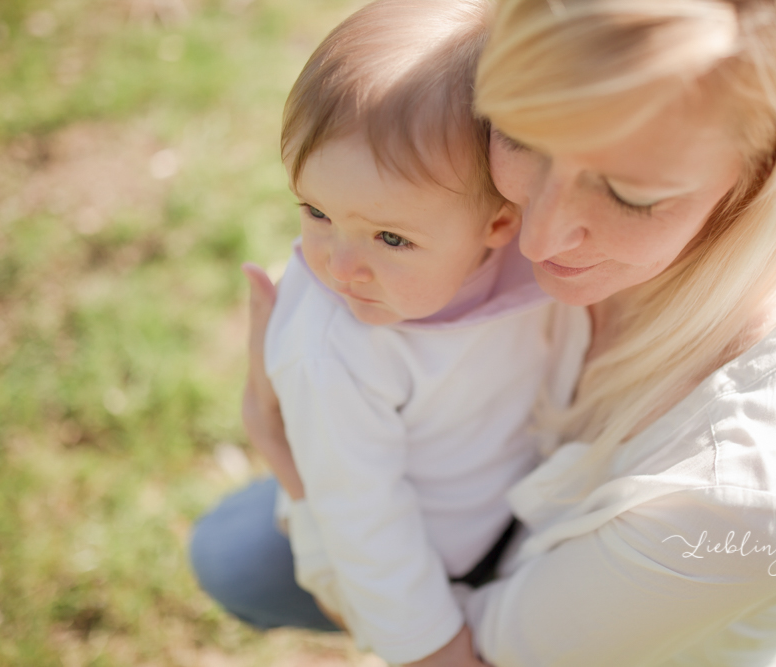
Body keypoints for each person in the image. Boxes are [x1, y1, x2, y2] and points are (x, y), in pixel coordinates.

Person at [191, 0, 776, 664]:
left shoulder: (755, 494)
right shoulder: (479, 211)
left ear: (764, 175)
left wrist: (295, 468)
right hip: (458, 498)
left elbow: (471, 652)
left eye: (630, 193)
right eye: (520, 135)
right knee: (232, 552)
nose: (536, 236)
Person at [218, 0, 584, 663]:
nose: (340, 265)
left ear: (498, 227)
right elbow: (364, 524)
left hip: (506, 513)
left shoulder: (539, 263)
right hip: (390, 564)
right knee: (235, 555)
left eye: (391, 236)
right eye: (316, 210)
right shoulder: (334, 345)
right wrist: (435, 647)